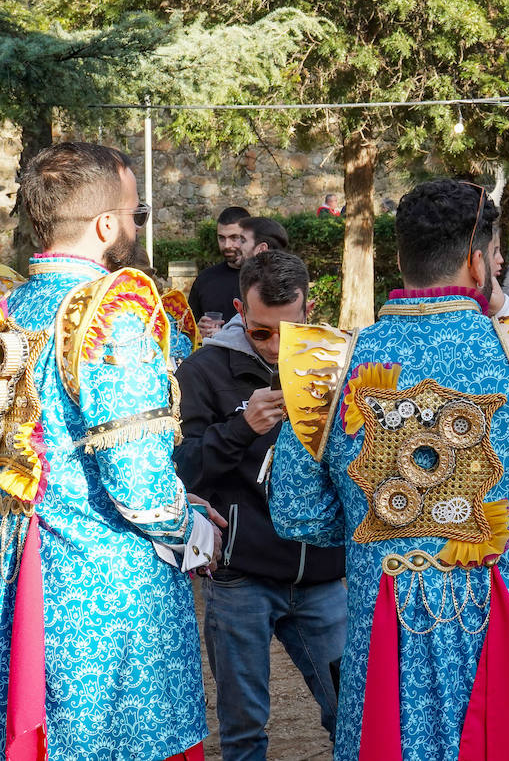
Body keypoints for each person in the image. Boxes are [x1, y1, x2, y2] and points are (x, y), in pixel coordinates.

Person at [268, 178, 509, 759]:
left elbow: (297, 515)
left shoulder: (329, 367)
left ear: (398, 258)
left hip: (388, 622)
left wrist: (377, 524)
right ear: (478, 262)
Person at [0, 141, 222, 760]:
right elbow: (143, 490)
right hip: (108, 597)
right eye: (133, 214)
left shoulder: (10, 308)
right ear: (104, 225)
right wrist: (195, 527)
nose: (133, 226)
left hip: (24, 576)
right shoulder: (111, 314)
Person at [175, 250, 347, 761]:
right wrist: (239, 428)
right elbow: (181, 470)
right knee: (244, 727)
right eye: (259, 333)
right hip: (240, 577)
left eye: (287, 332)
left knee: (350, 712)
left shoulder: (336, 363)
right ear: (237, 310)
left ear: (310, 310)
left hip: (320, 576)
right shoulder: (204, 370)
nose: (274, 348)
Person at [190, 205, 251, 337]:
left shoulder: (265, 278)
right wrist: (198, 329)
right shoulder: (205, 280)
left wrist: (225, 335)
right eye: (221, 238)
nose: (227, 245)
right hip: (211, 355)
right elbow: (187, 329)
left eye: (234, 237)